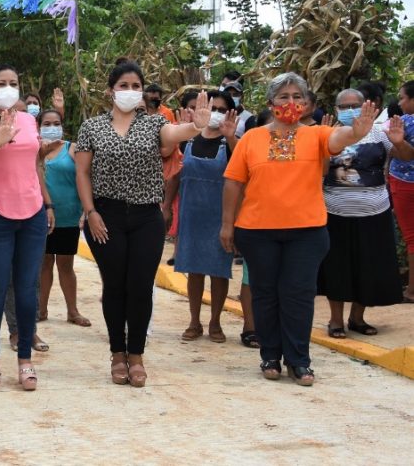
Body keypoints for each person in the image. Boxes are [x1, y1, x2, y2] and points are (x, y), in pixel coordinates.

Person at [221, 72, 377, 387]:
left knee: (299, 295)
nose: (290, 103)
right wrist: (227, 225)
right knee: (265, 294)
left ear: (305, 104)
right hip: (257, 230)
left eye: (297, 97)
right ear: (270, 102)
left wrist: (356, 132)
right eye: (283, 97)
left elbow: (339, 139)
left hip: (306, 232)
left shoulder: (317, 134)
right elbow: (234, 182)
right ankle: (270, 356)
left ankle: (299, 361)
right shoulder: (251, 138)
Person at [75, 60, 210, 388]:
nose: (130, 92)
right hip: (104, 217)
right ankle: (116, 354)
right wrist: (91, 213)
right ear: (110, 91)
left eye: (136, 86)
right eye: (124, 86)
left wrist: (195, 127)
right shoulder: (92, 128)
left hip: (146, 217)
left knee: (139, 286)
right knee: (115, 285)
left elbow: (175, 133)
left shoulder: (153, 124)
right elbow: (82, 173)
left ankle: (136, 355)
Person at [0, 65, 52, 392]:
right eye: (1, 83)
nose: (8, 87)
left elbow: (34, 165)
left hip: (31, 213)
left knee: (28, 289)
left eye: (13, 83)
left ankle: (25, 360)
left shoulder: (30, 121)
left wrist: (47, 204)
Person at [318, 88, 409, 336]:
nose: (350, 111)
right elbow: (320, 170)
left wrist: (400, 142)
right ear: (336, 109)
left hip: (374, 212)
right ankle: (335, 321)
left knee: (369, 267)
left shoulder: (381, 133)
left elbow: (407, 157)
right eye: (343, 107)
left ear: (366, 106)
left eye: (354, 105)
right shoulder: (329, 135)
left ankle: (357, 318)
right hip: (334, 213)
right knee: (336, 268)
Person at [171, 91, 239, 343]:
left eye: (223, 108)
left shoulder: (231, 143)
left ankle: (215, 323)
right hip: (191, 215)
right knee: (194, 270)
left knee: (219, 272)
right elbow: (174, 176)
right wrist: (167, 207)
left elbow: (244, 167)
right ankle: (194, 321)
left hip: (221, 217)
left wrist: (231, 137)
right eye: (214, 107)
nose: (217, 113)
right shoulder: (188, 140)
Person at [36, 109, 90, 329]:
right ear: (38, 126)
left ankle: (72, 311)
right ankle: (41, 308)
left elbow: (85, 176)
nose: (51, 127)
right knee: (44, 262)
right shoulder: (34, 151)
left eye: (56, 122)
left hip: (68, 217)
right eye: (46, 123)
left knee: (66, 264)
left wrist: (87, 210)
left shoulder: (72, 149)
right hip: (41, 216)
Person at [391, 80, 414, 304]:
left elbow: (398, 153)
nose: (399, 102)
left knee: (411, 238)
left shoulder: (404, 122)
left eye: (403, 98)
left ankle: (412, 291)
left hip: (405, 183)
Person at [220, 72, 253, 137]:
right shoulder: (216, 112)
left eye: (235, 94)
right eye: (223, 85)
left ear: (242, 96)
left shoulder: (248, 118)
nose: (231, 97)